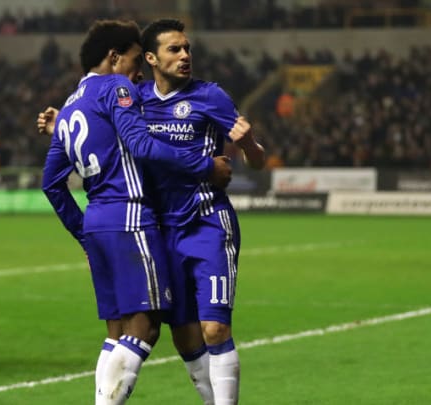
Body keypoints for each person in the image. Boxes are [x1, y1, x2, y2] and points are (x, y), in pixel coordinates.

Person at [41, 20, 229, 404]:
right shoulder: (117, 86)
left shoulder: (73, 102)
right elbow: (141, 146)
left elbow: (51, 183)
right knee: (145, 328)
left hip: (96, 221)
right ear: (113, 58)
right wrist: (205, 167)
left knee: (116, 334)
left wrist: (83, 232)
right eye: (131, 59)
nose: (137, 72)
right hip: (129, 216)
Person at [139, 19, 265, 405]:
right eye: (174, 50)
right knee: (184, 335)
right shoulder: (135, 98)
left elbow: (258, 163)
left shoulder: (211, 96)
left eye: (187, 48)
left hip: (208, 224)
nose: (184, 56)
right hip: (162, 230)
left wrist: (249, 146)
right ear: (151, 58)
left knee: (214, 329)